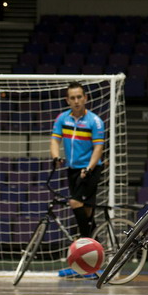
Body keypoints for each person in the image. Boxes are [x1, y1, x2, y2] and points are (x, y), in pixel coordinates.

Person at [50, 82, 105, 238]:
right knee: (87, 211)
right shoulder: (62, 118)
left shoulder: (95, 121)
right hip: (72, 169)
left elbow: (98, 148)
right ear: (67, 100)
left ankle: (84, 241)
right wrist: (56, 156)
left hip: (90, 169)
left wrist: (88, 168)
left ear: (85, 98)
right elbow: (55, 140)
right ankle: (96, 243)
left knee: (75, 202)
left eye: (79, 97)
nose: (76, 101)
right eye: (72, 98)